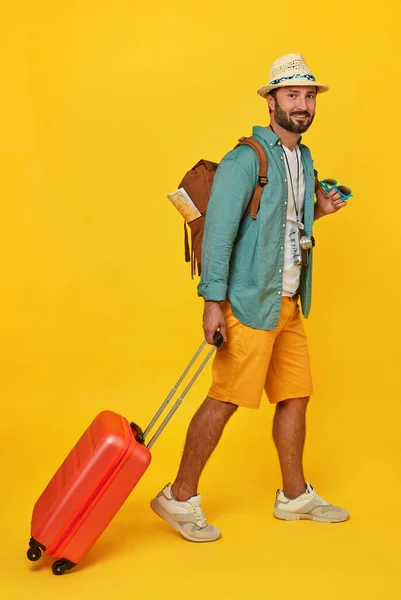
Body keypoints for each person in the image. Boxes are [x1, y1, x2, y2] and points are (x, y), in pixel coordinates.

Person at [151, 53, 350, 542]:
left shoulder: (302, 158)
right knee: (225, 399)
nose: (301, 105)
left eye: (308, 96)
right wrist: (212, 302)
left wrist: (318, 211)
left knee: (294, 396)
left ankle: (294, 494)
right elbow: (219, 234)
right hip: (248, 302)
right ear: (271, 101)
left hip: (288, 301)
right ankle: (178, 497)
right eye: (292, 95)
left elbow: (280, 227)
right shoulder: (247, 159)